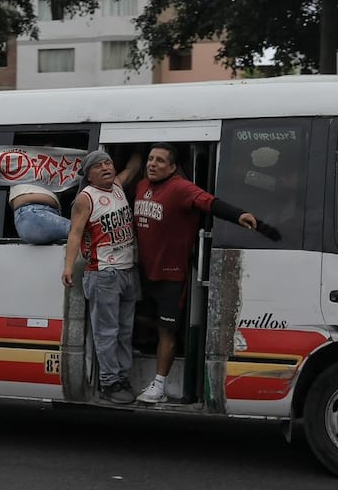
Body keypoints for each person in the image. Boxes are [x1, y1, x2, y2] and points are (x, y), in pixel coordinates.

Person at [132, 142, 279, 404]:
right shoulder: (142, 186)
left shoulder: (179, 188)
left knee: (167, 330)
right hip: (144, 272)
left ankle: (160, 386)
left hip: (171, 275)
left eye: (160, 161)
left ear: (174, 167)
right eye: (150, 159)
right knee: (143, 323)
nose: (153, 164)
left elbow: (210, 203)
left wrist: (240, 215)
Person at [61, 149, 142, 404]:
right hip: (103, 273)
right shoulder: (86, 198)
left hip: (128, 270)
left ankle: (122, 376)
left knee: (125, 330)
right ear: (89, 174)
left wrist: (140, 150)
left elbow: (131, 169)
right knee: (107, 331)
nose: (106, 168)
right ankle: (109, 382)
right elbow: (75, 233)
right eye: (98, 166)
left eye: (108, 162)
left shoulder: (117, 185)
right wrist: (68, 266)